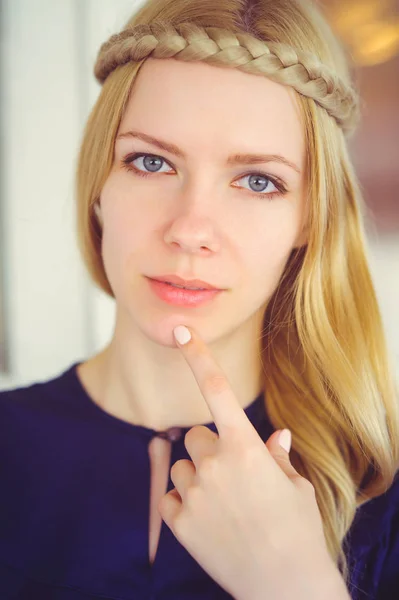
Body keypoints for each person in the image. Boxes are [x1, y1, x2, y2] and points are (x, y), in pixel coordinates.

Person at [1, 0, 398, 598]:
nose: (189, 228)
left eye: (258, 181)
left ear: (308, 220)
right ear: (98, 188)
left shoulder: (378, 486)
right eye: (151, 162)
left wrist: (295, 584)